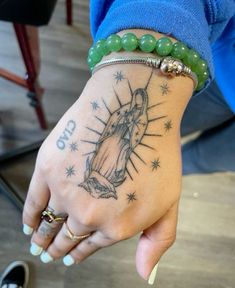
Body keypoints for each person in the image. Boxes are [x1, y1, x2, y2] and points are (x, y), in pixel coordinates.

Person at [21, 0, 235, 286]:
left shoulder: (136, 122)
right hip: (223, 64)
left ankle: (174, 176)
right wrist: (152, 37)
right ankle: (172, 172)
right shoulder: (128, 116)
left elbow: (137, 128)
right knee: (183, 152)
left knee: (203, 161)